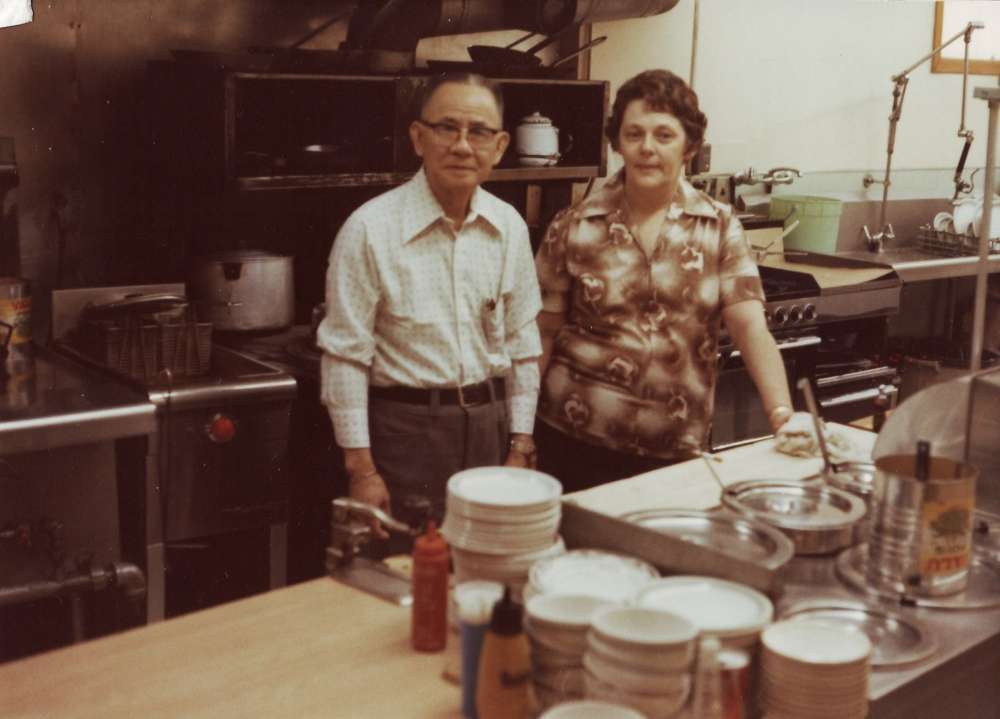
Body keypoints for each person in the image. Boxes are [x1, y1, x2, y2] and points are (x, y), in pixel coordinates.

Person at [534, 69, 793, 493]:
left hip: (675, 450)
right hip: (572, 441)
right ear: (616, 142)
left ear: (689, 146)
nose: (647, 148)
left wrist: (781, 413)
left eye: (664, 135)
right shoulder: (573, 225)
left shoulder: (720, 227)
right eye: (633, 134)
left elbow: (749, 327)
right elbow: (543, 333)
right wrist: (520, 435)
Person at [317, 72, 543, 539]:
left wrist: (520, 445)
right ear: (419, 138)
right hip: (405, 436)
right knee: (404, 576)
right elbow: (344, 357)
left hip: (491, 430)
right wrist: (362, 471)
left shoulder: (509, 227)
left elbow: (523, 346)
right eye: (447, 128)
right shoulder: (369, 229)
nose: (463, 145)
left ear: (500, 146)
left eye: (479, 132)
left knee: (486, 573)